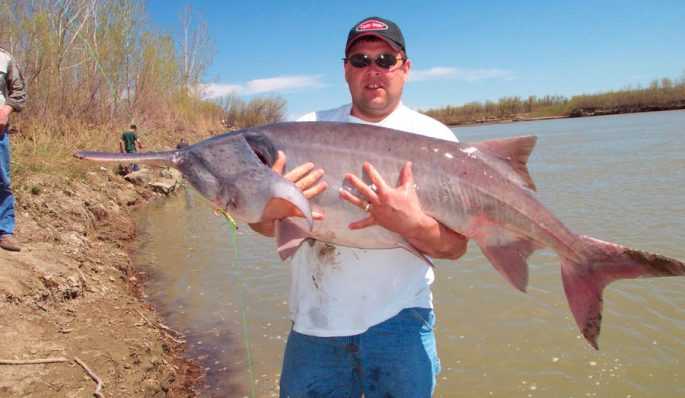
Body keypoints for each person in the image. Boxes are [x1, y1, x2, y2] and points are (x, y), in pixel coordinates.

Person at [250, 17, 468, 397]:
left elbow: (455, 248)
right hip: (315, 326)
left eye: (385, 59)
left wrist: (412, 224)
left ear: (406, 67)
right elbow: (263, 225)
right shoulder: (305, 129)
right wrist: (270, 211)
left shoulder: (436, 139)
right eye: (360, 59)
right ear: (345, 69)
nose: (373, 70)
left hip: (402, 321)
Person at [0, 47, 27, 252]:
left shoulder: (6, 58)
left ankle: (4, 231)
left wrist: (6, 110)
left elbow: (19, 92)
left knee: (2, 180)